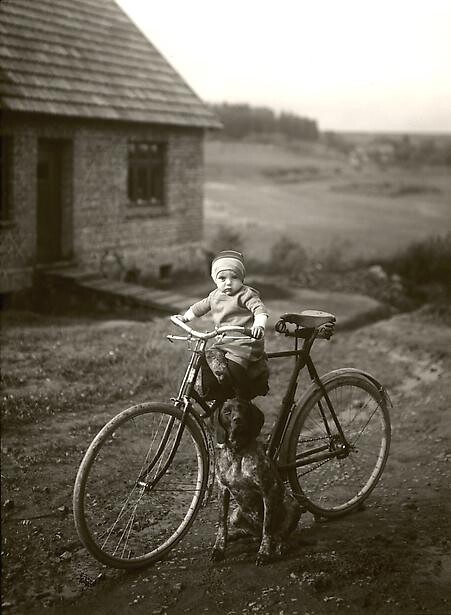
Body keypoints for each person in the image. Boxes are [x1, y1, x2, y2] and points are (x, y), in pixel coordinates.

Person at [179, 250, 269, 401]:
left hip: (244, 342)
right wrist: (185, 318)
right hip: (224, 341)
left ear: (241, 278)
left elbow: (259, 309)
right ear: (215, 279)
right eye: (222, 278)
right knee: (207, 359)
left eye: (234, 277)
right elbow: (198, 308)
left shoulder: (246, 294)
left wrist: (259, 326)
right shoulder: (214, 296)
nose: (228, 282)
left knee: (234, 367)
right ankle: (218, 395)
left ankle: (243, 396)